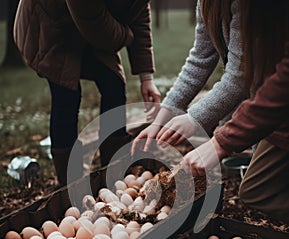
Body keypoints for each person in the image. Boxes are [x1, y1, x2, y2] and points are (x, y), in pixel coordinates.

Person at [13, 0, 161, 186]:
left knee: (113, 84)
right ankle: (69, 184)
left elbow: (137, 11)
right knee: (66, 96)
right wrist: (127, 36)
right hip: (51, 25)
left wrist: (146, 77)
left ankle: (114, 167)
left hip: (97, 21)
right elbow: (98, 28)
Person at [178, 0, 289, 223]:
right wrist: (169, 109)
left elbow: (239, 78)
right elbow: (200, 58)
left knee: (258, 190)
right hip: (271, 107)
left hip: (276, 103)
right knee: (257, 188)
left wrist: (221, 141)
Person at [131, 0, 245, 155]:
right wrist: (158, 121)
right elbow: (199, 61)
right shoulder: (205, 3)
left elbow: (239, 77)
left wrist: (194, 118)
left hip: (274, 111)